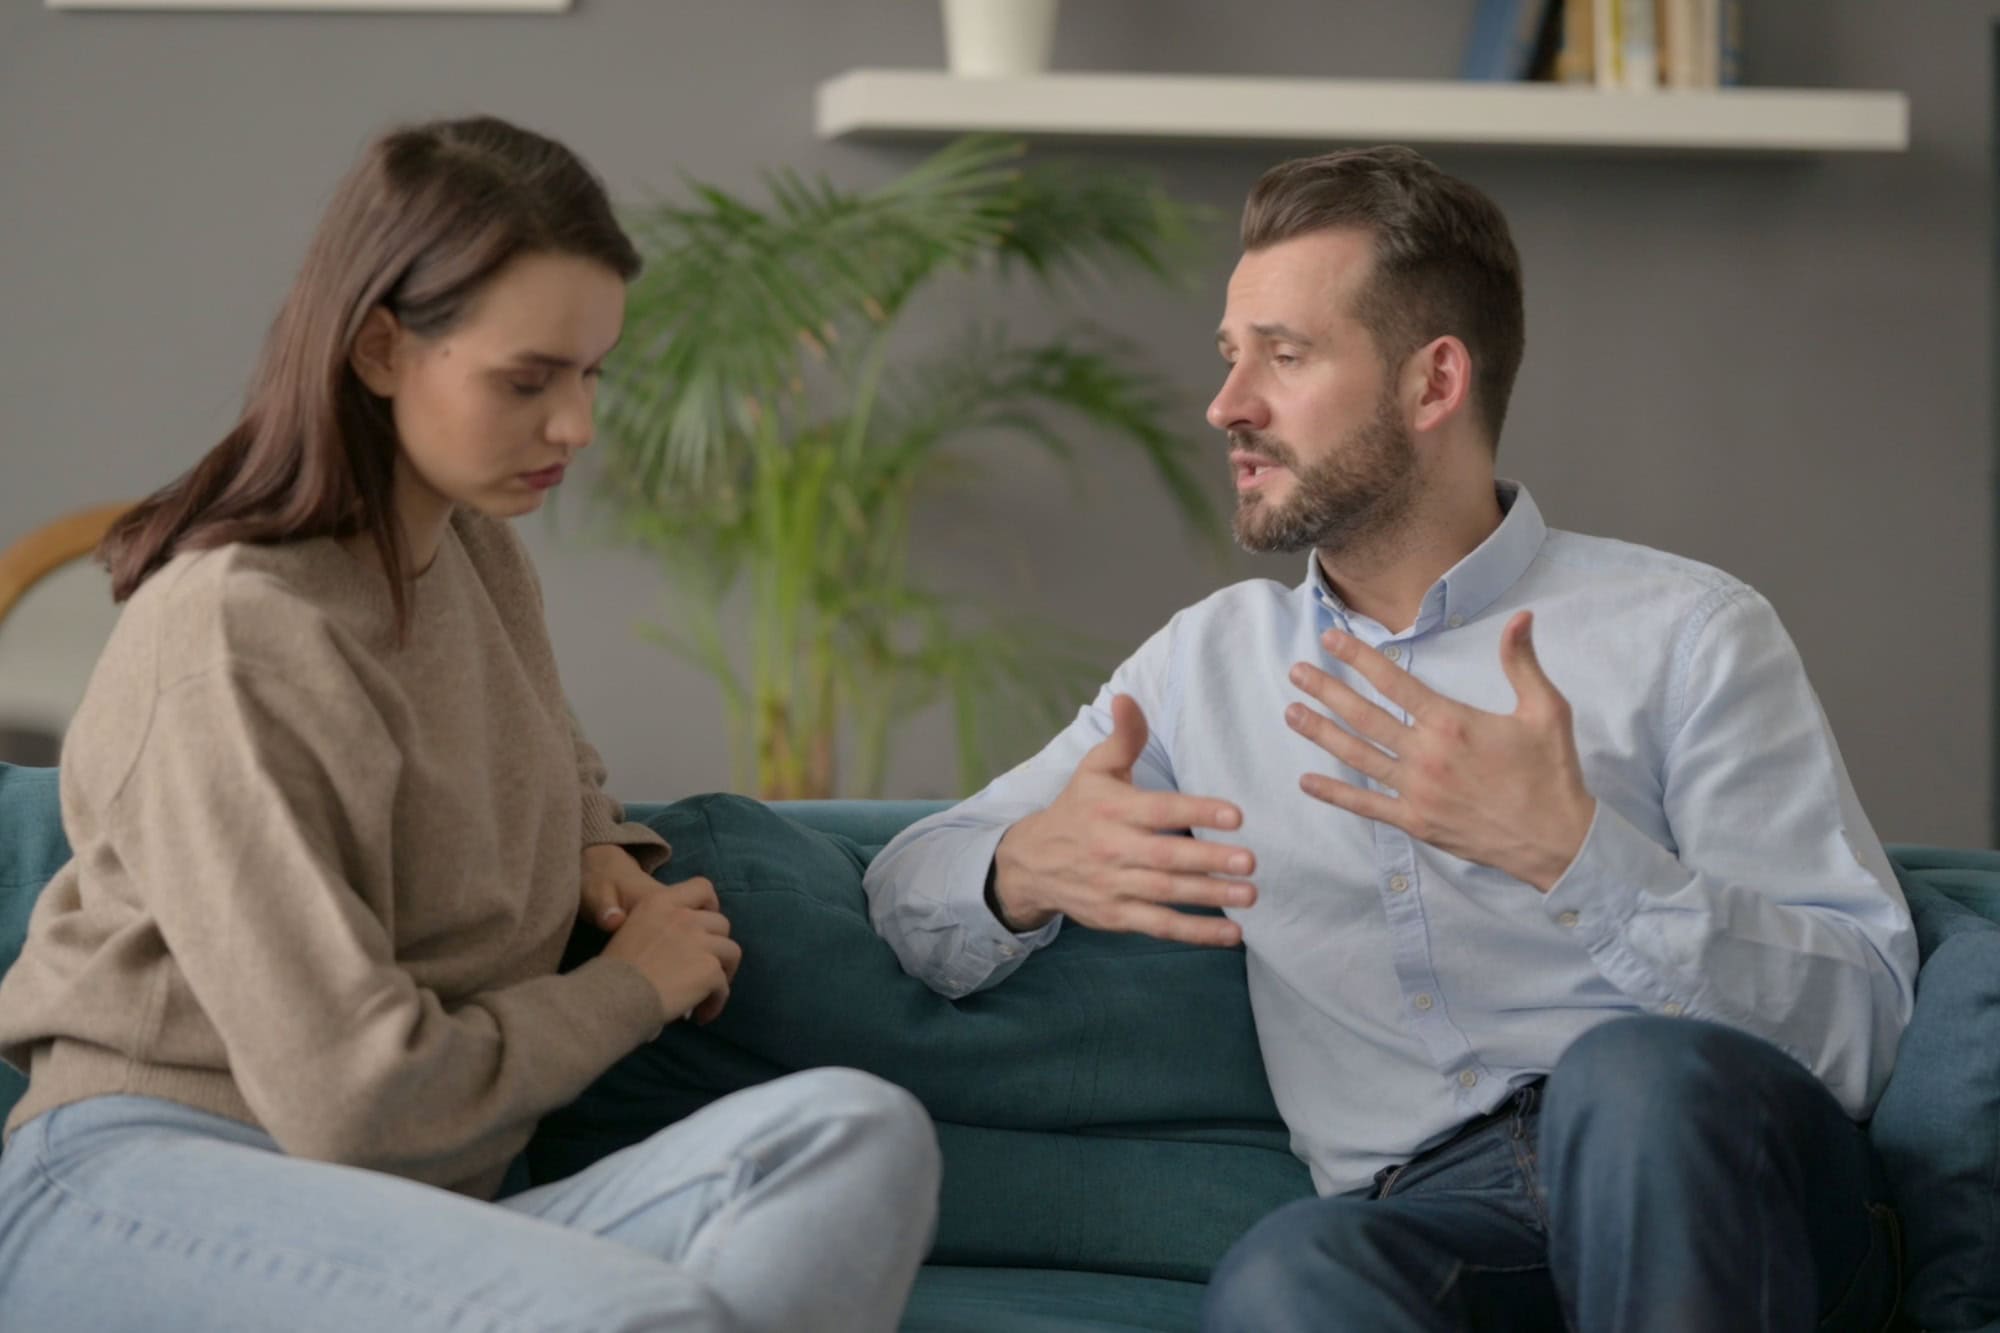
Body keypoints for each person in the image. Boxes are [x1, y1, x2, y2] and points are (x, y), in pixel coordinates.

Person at [863, 145, 1916, 1333]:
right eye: (1229, 355)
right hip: (1440, 1219)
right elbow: (909, 884)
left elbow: (1864, 1025)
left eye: (1286, 354)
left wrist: (1576, 857)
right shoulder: (1207, 667)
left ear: (1432, 384)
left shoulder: (1685, 632)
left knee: (1629, 1080)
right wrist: (1022, 866)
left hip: (1720, 1181)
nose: (1226, 405)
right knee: (1291, 1272)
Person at [0, 115, 938, 1333]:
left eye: (592, 373)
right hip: (150, 1180)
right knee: (637, 1316)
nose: (577, 428)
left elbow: (554, 749)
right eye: (527, 379)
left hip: (436, 1213)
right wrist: (634, 987)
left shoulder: (475, 553)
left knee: (857, 1133)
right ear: (382, 347)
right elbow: (353, 1101)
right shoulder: (236, 630)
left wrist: (600, 852)